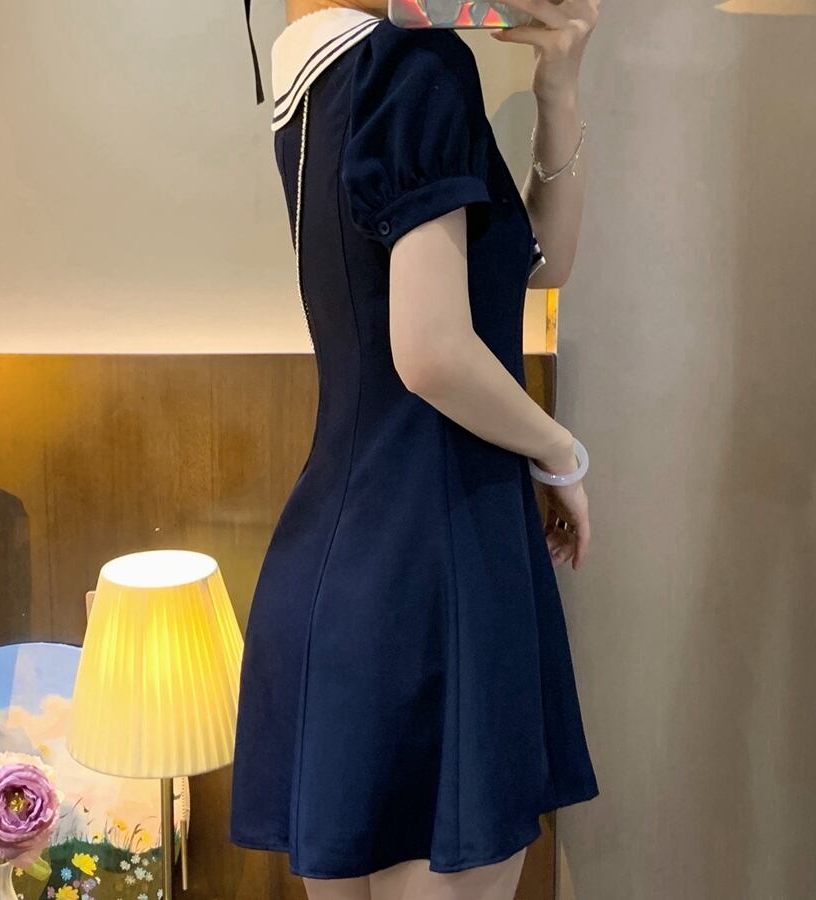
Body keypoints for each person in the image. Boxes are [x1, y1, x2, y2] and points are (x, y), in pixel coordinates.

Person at [230, 0, 601, 897]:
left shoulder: (314, 80)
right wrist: (559, 452)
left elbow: (539, 260)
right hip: (438, 569)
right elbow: (431, 352)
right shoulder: (414, 65)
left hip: (336, 572)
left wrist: (557, 86)